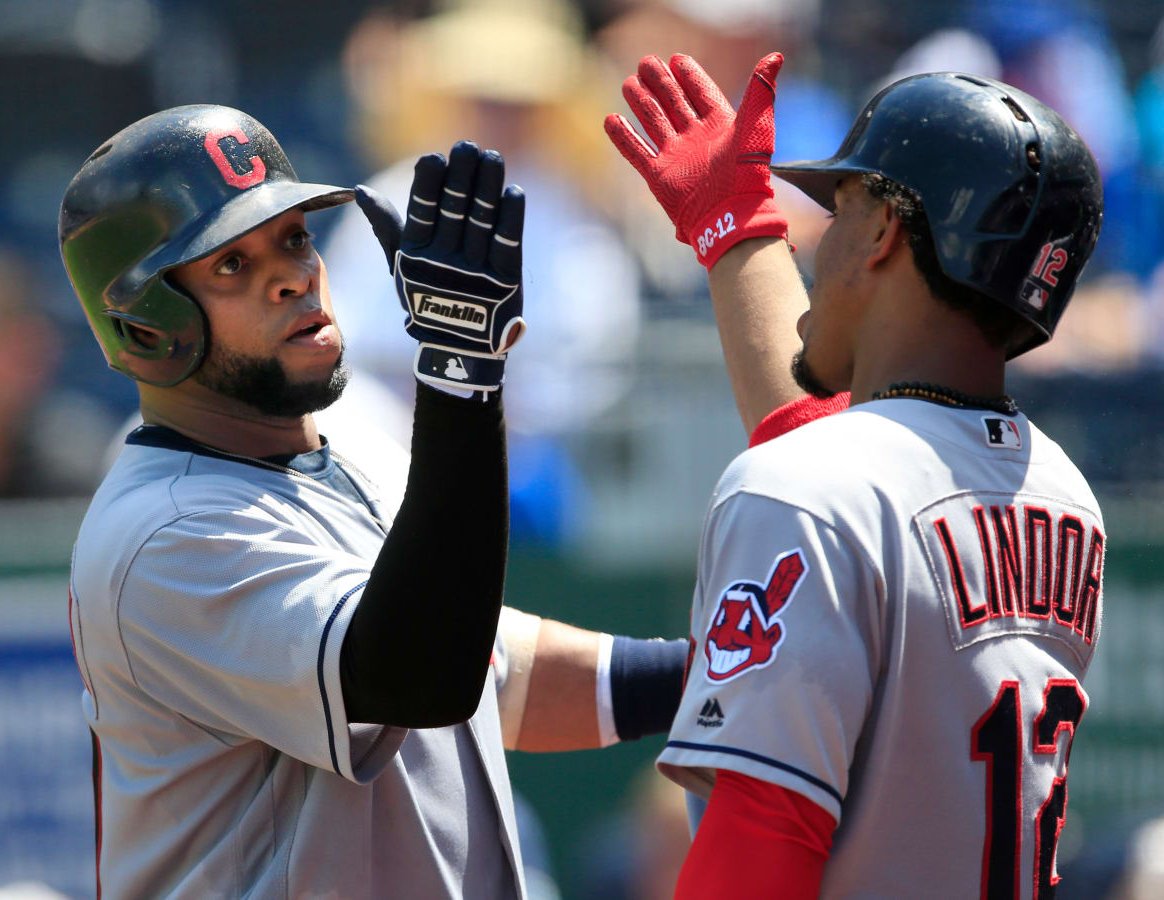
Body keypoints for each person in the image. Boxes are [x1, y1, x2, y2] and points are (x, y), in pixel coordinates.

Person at [59, 104, 710, 897]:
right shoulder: (163, 532)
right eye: (232, 264)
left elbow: (488, 670)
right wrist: (460, 379)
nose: (294, 274)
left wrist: (715, 678)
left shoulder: (341, 458)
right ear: (147, 325)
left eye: (294, 237)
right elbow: (414, 674)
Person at [606, 52, 1105, 896]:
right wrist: (737, 235)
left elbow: (761, 842)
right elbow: (860, 468)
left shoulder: (806, 486)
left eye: (839, 209)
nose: (820, 239)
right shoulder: (1066, 497)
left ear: (881, 232)